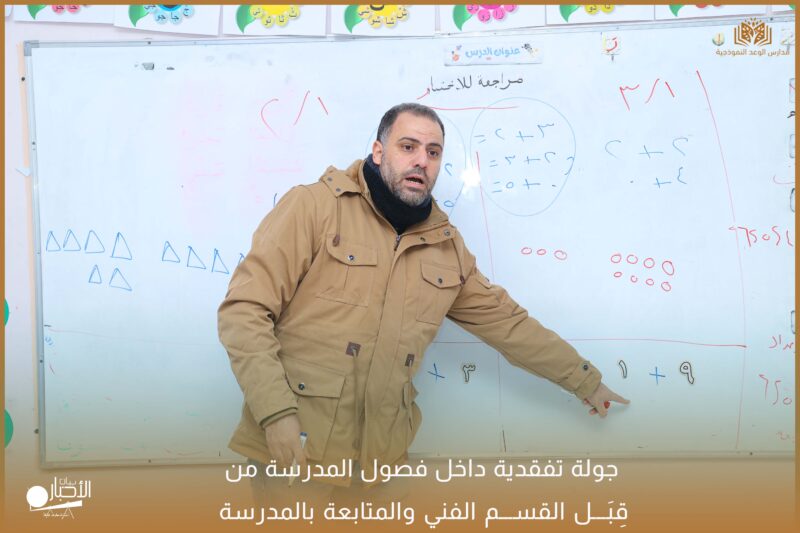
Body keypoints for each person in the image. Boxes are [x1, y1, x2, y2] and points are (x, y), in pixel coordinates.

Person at [218, 102, 629, 502]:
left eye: (433, 152)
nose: (421, 161)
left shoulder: (445, 246)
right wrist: (276, 414)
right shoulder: (314, 207)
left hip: (381, 462)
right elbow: (245, 310)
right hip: (299, 450)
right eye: (408, 146)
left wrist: (585, 381)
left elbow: (508, 324)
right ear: (378, 151)